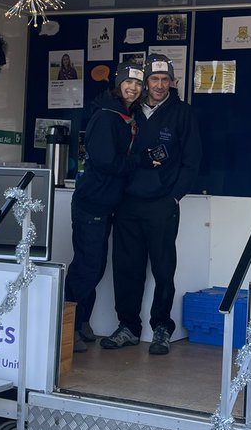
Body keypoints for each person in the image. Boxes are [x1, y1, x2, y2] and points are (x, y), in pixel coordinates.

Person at [102, 53, 201, 356]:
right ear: (145, 83)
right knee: (126, 268)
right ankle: (128, 327)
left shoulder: (182, 113)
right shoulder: (128, 111)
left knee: (162, 268)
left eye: (164, 80)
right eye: (153, 80)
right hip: (128, 203)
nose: (159, 85)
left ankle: (161, 327)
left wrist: (174, 196)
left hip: (162, 203)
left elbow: (192, 159)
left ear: (173, 82)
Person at [63, 62, 143, 352]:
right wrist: (139, 161)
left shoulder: (126, 115)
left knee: (94, 266)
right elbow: (107, 160)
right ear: (118, 84)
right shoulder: (107, 116)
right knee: (87, 266)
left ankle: (81, 321)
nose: (133, 88)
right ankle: (64, 327)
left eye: (138, 84)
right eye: (128, 82)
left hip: (107, 203)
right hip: (92, 202)